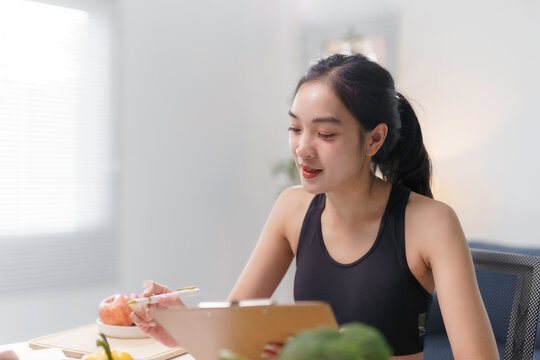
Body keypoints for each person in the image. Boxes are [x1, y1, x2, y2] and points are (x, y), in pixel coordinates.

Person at [131, 53, 498, 359]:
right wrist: (182, 327)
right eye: (295, 129)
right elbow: (234, 333)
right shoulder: (292, 208)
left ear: (374, 139)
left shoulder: (431, 223)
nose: (303, 149)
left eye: (325, 134)